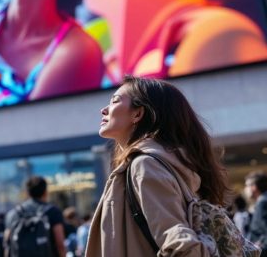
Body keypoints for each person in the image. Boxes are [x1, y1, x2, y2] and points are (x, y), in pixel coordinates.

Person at [85, 75, 231, 256]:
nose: (104, 110)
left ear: (137, 114)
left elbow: (179, 242)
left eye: (115, 101)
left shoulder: (145, 165)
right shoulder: (169, 164)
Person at [5, 176, 66, 257]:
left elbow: (7, 243)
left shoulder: (13, 214)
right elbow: (60, 244)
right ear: (45, 192)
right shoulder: (52, 211)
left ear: (27, 193)